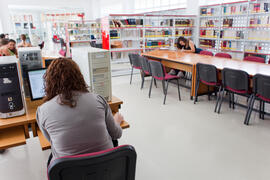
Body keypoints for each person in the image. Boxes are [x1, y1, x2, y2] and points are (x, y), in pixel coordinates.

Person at [36, 58, 124, 161]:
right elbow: (116, 134)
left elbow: (51, 141)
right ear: (79, 76)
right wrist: (116, 121)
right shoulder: (98, 99)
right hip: (106, 168)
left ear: (49, 81)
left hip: (69, 172)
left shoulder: (43, 110)